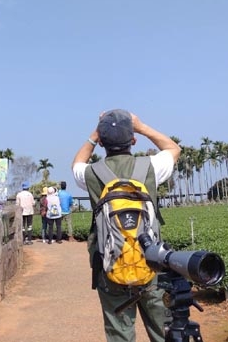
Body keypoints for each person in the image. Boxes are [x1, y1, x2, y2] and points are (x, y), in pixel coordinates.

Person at [71, 109, 181, 342]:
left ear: (102, 142)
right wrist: (140, 125)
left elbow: (77, 163)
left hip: (110, 267)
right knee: (164, 333)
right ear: (133, 140)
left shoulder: (91, 174)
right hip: (151, 265)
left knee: (120, 334)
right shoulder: (150, 167)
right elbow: (173, 149)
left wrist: (95, 134)